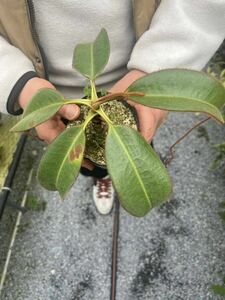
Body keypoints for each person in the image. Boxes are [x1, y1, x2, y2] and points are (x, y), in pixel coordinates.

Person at [0, 0, 224, 214]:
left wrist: (155, 65)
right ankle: (103, 178)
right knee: (90, 162)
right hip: (57, 101)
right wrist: (17, 83)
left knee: (137, 138)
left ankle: (115, 176)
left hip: (134, 83)